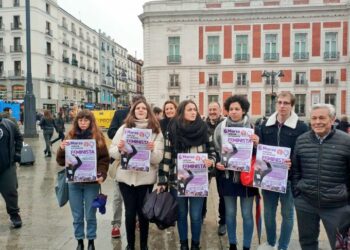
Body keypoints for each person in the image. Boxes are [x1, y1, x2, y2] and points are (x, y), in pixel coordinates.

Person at [157, 100, 216, 250]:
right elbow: (167, 156)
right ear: (182, 111)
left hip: (198, 181)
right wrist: (163, 180)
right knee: (181, 215)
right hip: (178, 181)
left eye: (195, 109)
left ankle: (195, 244)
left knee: (196, 216)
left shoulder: (205, 129)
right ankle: (183, 244)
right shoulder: (172, 130)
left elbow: (212, 151)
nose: (193, 112)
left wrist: (211, 161)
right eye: (189, 109)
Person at [292, 103, 350, 250]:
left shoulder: (346, 141)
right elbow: (296, 170)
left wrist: (346, 197)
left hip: (337, 205)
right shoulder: (301, 140)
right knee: (307, 243)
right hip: (306, 203)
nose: (317, 122)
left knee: (341, 245)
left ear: (332, 120)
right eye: (314, 118)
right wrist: (297, 193)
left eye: (322, 118)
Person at [109, 99, 164, 250]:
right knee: (129, 212)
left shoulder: (155, 131)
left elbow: (158, 158)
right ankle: (130, 245)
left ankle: (144, 245)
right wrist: (120, 149)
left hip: (145, 180)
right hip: (125, 178)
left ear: (148, 112)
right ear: (133, 111)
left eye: (144, 108)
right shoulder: (124, 129)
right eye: (137, 108)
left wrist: (152, 150)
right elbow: (112, 151)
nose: (140, 110)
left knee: (143, 213)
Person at [257, 91, 308, 250]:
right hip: (268, 178)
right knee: (268, 214)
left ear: (292, 105)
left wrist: (292, 161)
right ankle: (271, 243)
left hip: (289, 178)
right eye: (279, 102)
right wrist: (255, 144)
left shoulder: (301, 127)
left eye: (286, 103)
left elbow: (304, 152)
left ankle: (283, 246)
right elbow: (260, 150)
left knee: (288, 215)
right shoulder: (265, 125)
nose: (282, 106)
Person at [56, 109, 110, 250]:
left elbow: (104, 159)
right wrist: (61, 149)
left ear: (91, 121)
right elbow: (61, 161)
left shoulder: (98, 137)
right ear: (77, 122)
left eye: (86, 120)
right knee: (77, 214)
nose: (83, 123)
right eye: (80, 120)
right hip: (74, 183)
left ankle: (91, 240)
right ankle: (79, 240)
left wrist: (102, 174)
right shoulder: (70, 137)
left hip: (91, 183)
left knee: (90, 214)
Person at [213, 95, 260, 250]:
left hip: (247, 178)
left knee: (247, 214)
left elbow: (262, 154)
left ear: (244, 110)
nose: (233, 112)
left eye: (237, 109)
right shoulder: (220, 128)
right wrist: (218, 162)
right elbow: (215, 150)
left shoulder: (253, 128)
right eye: (231, 109)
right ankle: (232, 244)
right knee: (230, 213)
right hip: (227, 177)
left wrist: (258, 142)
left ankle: (246, 246)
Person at [107, 94, 146, 238]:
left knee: (137, 198)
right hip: (121, 164)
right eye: (135, 104)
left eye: (141, 104)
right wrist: (124, 137)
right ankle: (116, 224)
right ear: (131, 104)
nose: (138, 107)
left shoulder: (147, 122)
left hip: (139, 165)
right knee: (118, 197)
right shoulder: (120, 114)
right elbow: (111, 132)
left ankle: (136, 220)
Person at [204, 101, 226, 236]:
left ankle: (223, 221)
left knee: (222, 194)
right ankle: (201, 215)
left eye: (215, 109)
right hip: (206, 163)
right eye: (210, 109)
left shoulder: (225, 125)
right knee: (201, 193)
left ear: (220, 110)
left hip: (221, 165)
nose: (212, 112)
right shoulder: (201, 125)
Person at [0, 116, 23, 228]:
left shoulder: (8, 124)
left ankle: (14, 214)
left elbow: (19, 137)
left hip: (7, 165)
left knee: (11, 191)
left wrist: (17, 152)